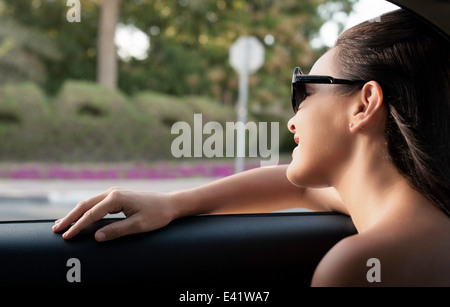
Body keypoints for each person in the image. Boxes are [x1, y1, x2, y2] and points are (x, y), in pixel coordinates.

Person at [52, 9, 450, 286]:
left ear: (364, 104)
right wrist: (174, 203)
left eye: (305, 92)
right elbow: (302, 188)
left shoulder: (357, 266)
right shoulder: (420, 212)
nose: (293, 119)